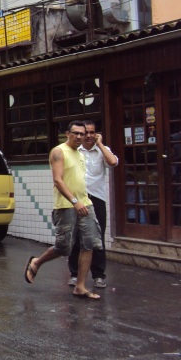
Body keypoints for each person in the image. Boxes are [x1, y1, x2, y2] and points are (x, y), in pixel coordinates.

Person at [24, 121, 103, 300]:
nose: (79, 137)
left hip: (85, 203)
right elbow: (58, 181)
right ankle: (37, 262)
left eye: (82, 134)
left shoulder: (81, 154)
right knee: (63, 247)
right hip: (67, 205)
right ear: (67, 134)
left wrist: (83, 201)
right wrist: (75, 202)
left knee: (89, 244)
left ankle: (80, 286)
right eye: (75, 133)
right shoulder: (59, 152)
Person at [68, 120, 119, 289]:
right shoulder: (75, 151)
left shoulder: (102, 151)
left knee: (97, 238)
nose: (88, 136)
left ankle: (98, 275)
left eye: (92, 132)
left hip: (96, 199)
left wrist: (100, 144)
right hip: (78, 199)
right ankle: (74, 274)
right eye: (85, 133)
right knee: (76, 237)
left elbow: (112, 162)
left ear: (96, 134)